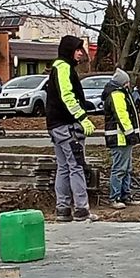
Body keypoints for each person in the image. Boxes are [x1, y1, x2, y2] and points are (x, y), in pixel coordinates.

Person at [45, 35, 96, 222]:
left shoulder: (57, 67)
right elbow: (67, 96)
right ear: (69, 50)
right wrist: (83, 118)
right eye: (77, 50)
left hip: (55, 126)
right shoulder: (64, 68)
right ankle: (82, 209)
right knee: (76, 166)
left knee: (63, 167)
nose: (80, 53)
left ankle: (63, 209)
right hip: (67, 126)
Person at [102, 68, 140, 209]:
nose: (129, 85)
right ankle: (115, 197)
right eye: (127, 83)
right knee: (120, 169)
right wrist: (130, 133)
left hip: (122, 138)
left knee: (126, 168)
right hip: (120, 138)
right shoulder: (117, 94)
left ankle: (125, 195)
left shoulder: (118, 93)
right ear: (123, 83)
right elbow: (122, 115)